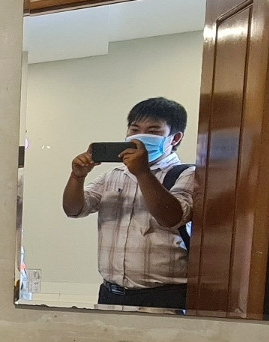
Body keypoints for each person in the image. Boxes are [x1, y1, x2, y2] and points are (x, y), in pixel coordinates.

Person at [62, 96, 197, 311]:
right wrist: (77, 177)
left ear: (175, 138)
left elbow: (172, 218)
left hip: (164, 297)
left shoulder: (187, 174)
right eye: (134, 129)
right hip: (110, 294)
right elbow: (73, 210)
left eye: (153, 131)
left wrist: (142, 172)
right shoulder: (113, 175)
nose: (140, 136)